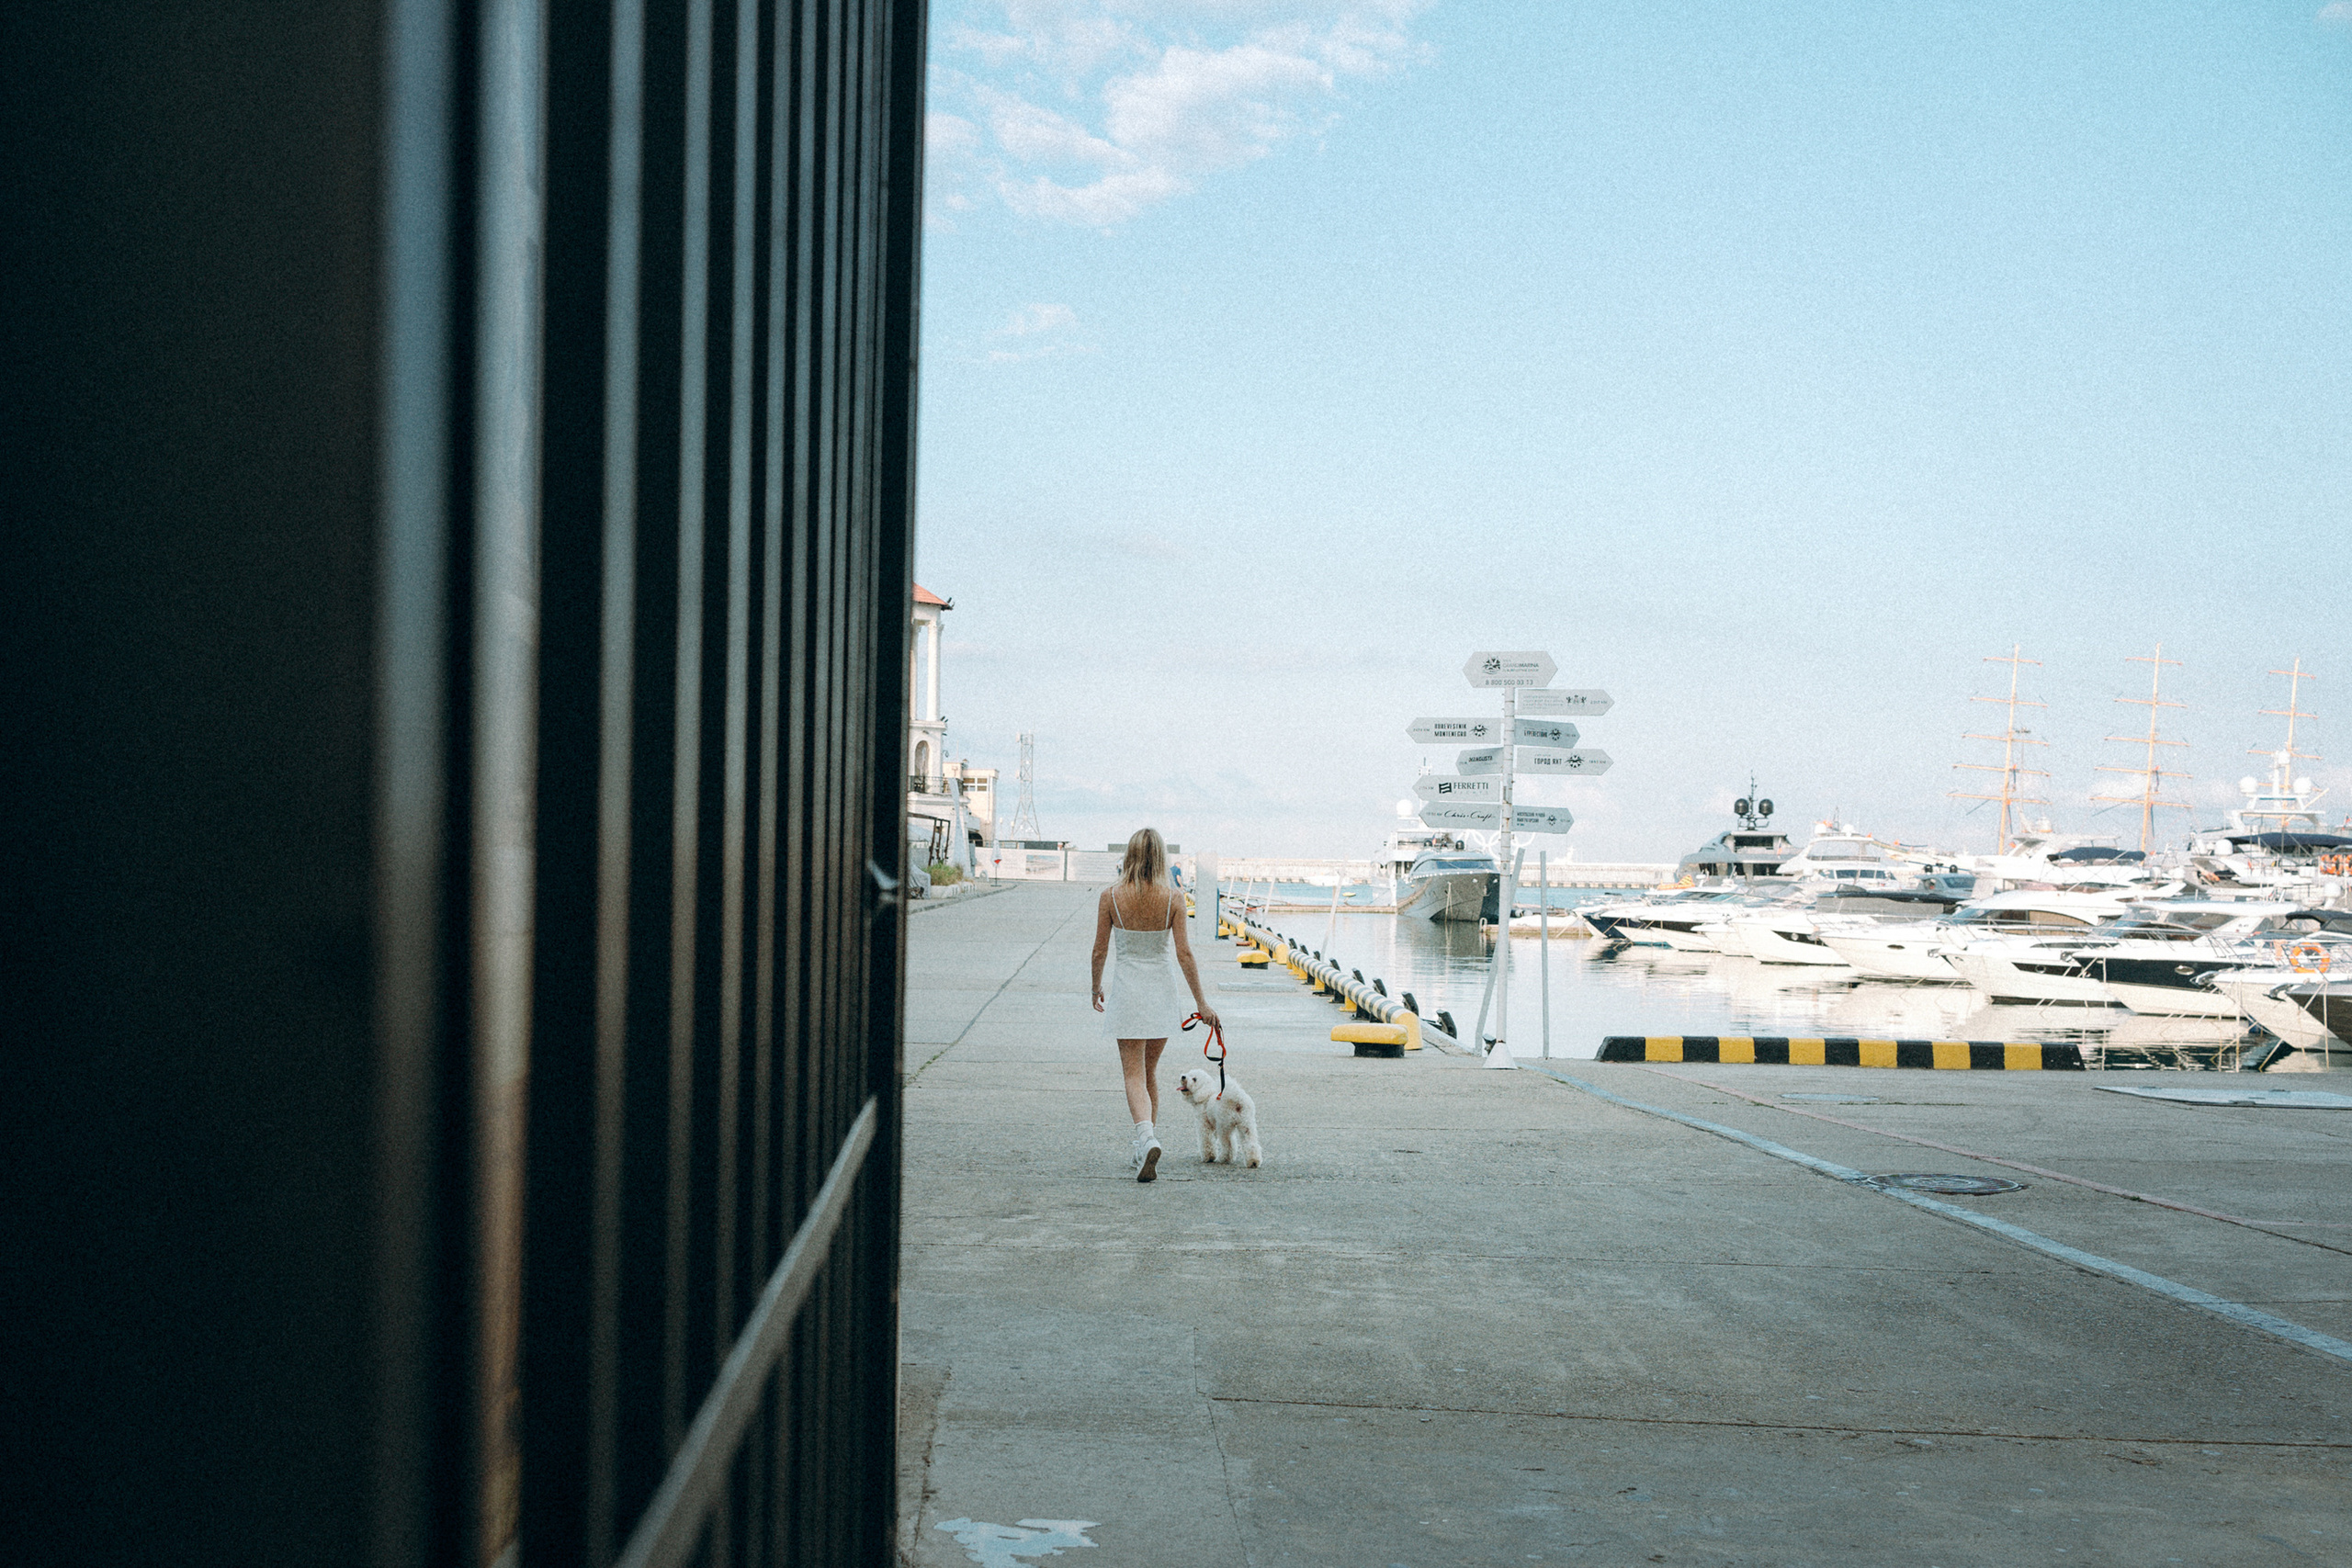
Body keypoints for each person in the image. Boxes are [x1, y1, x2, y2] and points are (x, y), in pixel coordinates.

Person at [1091, 827, 1217, 1181]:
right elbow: (1184, 954)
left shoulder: (1110, 897)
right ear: (1161, 858)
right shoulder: (1173, 898)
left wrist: (1095, 986)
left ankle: (1145, 1139)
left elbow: (1099, 949)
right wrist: (1202, 1003)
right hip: (1161, 992)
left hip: (1128, 991)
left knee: (1132, 1074)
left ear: (1129, 855)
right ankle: (1145, 1144)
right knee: (1149, 1074)